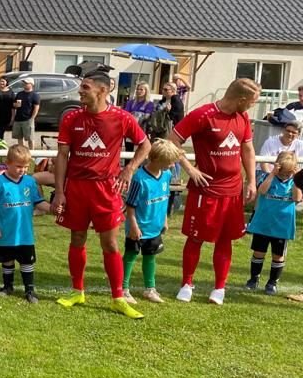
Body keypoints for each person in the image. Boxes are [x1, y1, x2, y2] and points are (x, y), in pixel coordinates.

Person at [52, 71, 151, 319]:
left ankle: (118, 296)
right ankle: (77, 290)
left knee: (110, 242)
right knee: (77, 237)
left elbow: (146, 145)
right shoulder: (71, 118)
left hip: (106, 189)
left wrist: (129, 169)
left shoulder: (122, 118)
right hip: (76, 187)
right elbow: (62, 156)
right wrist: (60, 192)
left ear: (103, 90)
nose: (80, 91)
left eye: (85, 87)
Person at [168, 78, 260, 305]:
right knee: (195, 237)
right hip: (205, 190)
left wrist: (251, 181)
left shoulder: (243, 117)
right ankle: (187, 283)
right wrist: (190, 169)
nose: (252, 106)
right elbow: (172, 141)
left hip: (232, 191)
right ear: (241, 99)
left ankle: (219, 288)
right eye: (251, 102)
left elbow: (247, 149)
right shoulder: (202, 114)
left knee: (225, 239)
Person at [0, 144, 51, 304]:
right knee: (7, 260)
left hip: (24, 233)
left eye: (26, 167)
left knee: (27, 261)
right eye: (19, 166)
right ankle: (8, 286)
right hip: (6, 231)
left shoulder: (29, 182)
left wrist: (52, 209)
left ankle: (29, 290)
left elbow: (38, 201)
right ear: (8, 163)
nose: (22, 170)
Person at [121, 139, 181, 305]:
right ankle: (123, 289)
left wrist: (165, 220)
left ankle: (150, 288)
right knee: (130, 256)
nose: (171, 166)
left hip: (155, 228)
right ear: (157, 160)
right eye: (169, 163)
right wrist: (133, 225)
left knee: (150, 257)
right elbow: (130, 206)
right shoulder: (139, 179)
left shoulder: (166, 176)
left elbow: (164, 199)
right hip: (138, 228)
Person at [245, 151, 299, 295]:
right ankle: (253, 279)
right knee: (258, 252)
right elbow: (262, 191)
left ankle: (272, 282)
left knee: (278, 255)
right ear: (277, 167)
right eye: (283, 173)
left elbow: (297, 198)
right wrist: (273, 173)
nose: (285, 176)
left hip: (282, 225)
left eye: (289, 173)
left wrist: (296, 178)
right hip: (264, 222)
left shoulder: (294, 182)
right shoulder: (267, 177)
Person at [11, 79, 40, 149]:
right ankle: (22, 152)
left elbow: (36, 108)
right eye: (24, 83)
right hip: (18, 119)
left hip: (28, 119)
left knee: (30, 138)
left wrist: (32, 118)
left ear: (31, 84)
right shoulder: (19, 94)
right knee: (19, 137)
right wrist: (15, 105)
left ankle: (32, 153)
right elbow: (13, 105)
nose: (24, 84)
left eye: (26, 83)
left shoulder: (35, 95)